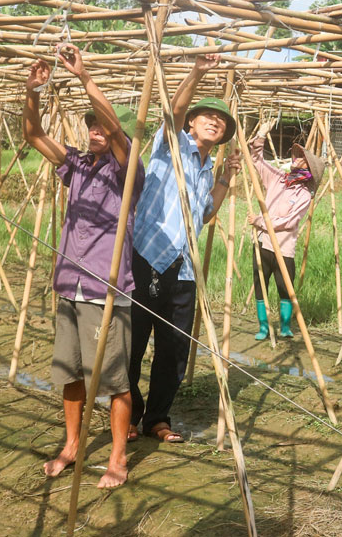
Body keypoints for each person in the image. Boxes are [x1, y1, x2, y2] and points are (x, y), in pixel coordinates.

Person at [23, 43, 144, 489]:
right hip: (69, 287)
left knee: (113, 379)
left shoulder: (127, 170)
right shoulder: (75, 165)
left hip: (107, 290)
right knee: (70, 374)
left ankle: (117, 457)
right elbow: (34, 136)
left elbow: (116, 131)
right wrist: (32, 91)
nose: (96, 131)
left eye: (103, 127)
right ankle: (72, 446)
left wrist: (85, 77)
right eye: (90, 124)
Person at [128, 53, 241, 444]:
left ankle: (157, 418)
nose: (215, 120)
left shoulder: (207, 167)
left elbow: (206, 214)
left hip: (185, 268)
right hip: (147, 258)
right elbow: (173, 111)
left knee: (174, 349)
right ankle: (127, 413)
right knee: (131, 343)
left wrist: (225, 178)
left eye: (222, 120)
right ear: (192, 122)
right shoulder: (171, 143)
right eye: (208, 115)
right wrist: (196, 73)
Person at [247, 120, 324, 340]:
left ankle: (285, 326)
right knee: (261, 286)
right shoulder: (277, 179)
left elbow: (289, 221)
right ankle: (263, 327)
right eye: (297, 156)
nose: (296, 159)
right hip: (264, 243)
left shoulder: (304, 195)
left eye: (301, 159)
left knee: (284, 287)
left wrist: (261, 221)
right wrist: (261, 134)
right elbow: (256, 160)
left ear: (308, 169)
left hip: (284, 247)